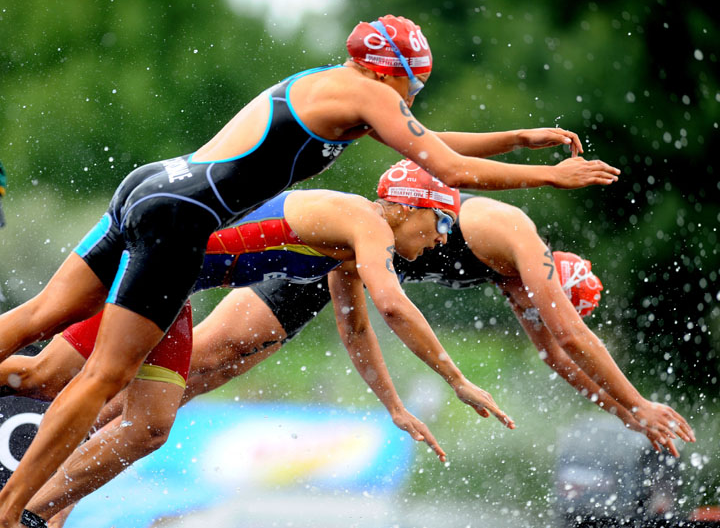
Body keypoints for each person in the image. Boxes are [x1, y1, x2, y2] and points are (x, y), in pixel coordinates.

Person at [0, 12, 620, 525]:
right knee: (100, 378)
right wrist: (549, 176)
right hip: (183, 223)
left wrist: (514, 138)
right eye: (413, 89)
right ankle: (13, 512)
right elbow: (445, 176)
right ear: (392, 74)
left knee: (50, 339)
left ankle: (30, 508)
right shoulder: (367, 191)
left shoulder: (338, 93)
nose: (409, 104)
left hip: (159, 188)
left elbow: (430, 145)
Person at [4, 164, 522, 528]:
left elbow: (358, 328)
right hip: (155, 257)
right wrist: (456, 380)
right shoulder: (365, 224)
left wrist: (394, 407)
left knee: (150, 426)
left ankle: (30, 512)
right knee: (41, 373)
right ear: (410, 209)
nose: (440, 242)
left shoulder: (348, 245)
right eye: (444, 224)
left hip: (172, 287)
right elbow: (393, 306)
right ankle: (18, 506)